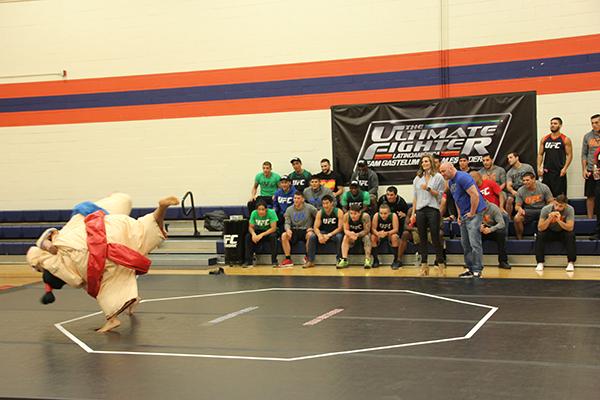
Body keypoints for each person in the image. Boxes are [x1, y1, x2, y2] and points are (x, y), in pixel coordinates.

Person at [27, 193, 179, 333]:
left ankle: (161, 209)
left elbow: (105, 291)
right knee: (135, 221)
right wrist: (47, 244)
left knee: (143, 234)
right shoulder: (55, 251)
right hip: (98, 230)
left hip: (105, 255)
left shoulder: (77, 278)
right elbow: (37, 249)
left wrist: (113, 316)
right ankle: (161, 207)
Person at [440, 162, 487, 278]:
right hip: (465, 214)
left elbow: (475, 195)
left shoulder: (463, 177)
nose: (442, 174)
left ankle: (477, 270)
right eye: (441, 172)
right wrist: (459, 215)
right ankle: (470, 268)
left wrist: (472, 212)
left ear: (451, 168)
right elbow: (457, 199)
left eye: (443, 171)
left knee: (474, 242)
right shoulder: (451, 182)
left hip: (474, 213)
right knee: (465, 243)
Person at [410, 154, 446, 276]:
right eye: (423, 161)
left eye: (426, 161)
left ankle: (440, 264)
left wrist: (429, 189)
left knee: (435, 238)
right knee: (422, 238)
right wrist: (413, 213)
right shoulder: (417, 179)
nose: (424, 163)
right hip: (420, 210)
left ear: (431, 162)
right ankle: (424, 266)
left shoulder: (438, 177)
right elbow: (415, 197)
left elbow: (440, 195)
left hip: (432, 209)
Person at [534, 195, 576, 272]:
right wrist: (549, 219)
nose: (557, 208)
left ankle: (571, 262)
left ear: (565, 205)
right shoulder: (546, 209)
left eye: (560, 206)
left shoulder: (570, 209)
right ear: (553, 202)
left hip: (563, 231)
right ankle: (540, 262)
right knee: (540, 234)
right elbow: (540, 227)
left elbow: (570, 227)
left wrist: (559, 220)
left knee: (570, 235)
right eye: (556, 204)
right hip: (550, 231)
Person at [279, 192, 318, 268]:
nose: (296, 200)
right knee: (284, 235)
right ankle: (288, 259)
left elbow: (318, 217)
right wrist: (287, 229)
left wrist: (313, 228)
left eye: (298, 198)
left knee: (310, 235)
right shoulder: (289, 209)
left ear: (303, 199)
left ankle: (308, 257)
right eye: (295, 198)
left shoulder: (310, 208)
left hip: (306, 230)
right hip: (294, 230)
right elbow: (287, 222)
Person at [537, 117, 573, 197]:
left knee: (560, 195)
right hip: (547, 171)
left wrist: (565, 168)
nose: (552, 125)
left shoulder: (565, 139)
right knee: (547, 194)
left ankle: (560, 209)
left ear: (560, 125)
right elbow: (540, 154)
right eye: (551, 123)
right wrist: (539, 167)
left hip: (559, 171)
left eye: (555, 123)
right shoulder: (545, 139)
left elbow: (569, 155)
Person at [514, 172, 554, 240]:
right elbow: (517, 206)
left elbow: (551, 201)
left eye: (527, 180)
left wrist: (547, 209)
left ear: (533, 179)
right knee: (517, 218)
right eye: (523, 180)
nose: (525, 182)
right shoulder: (520, 190)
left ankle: (546, 238)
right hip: (528, 211)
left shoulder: (543, 187)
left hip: (542, 210)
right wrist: (520, 209)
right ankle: (519, 238)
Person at [309, 194, 344, 266]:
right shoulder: (320, 212)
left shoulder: (338, 211)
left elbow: (340, 228)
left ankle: (339, 260)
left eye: (327, 203)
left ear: (332, 203)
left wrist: (329, 235)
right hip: (325, 232)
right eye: (323, 203)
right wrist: (319, 236)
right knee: (312, 237)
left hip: (335, 232)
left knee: (339, 237)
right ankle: (310, 260)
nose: (325, 205)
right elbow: (315, 227)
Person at [336, 204, 372, 269]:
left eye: (355, 214)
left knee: (367, 237)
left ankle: (367, 259)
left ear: (359, 213)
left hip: (362, 234)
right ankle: (344, 259)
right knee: (345, 237)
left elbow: (367, 230)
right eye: (351, 213)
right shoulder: (346, 216)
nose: (353, 216)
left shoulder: (365, 216)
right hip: (352, 235)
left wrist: (357, 235)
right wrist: (350, 234)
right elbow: (345, 230)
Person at [244, 200, 278, 267]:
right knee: (248, 236)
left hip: (269, 231)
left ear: (266, 209)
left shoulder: (271, 213)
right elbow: (250, 227)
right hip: (258, 230)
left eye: (263, 209)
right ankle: (248, 261)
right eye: (259, 209)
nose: (261, 211)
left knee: (273, 237)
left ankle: (274, 261)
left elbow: (273, 228)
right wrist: (253, 234)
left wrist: (261, 235)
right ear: (256, 210)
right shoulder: (254, 213)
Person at [480, 200, 510, 269]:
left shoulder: (493, 208)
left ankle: (503, 261)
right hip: (481, 229)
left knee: (501, 234)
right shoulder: (474, 207)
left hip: (493, 229)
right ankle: (473, 262)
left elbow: (502, 223)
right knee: (473, 233)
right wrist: (477, 226)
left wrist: (490, 229)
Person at [581, 114, 600, 219]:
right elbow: (584, 154)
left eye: (597, 122)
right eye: (592, 123)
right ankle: (589, 219)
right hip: (591, 170)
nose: (594, 125)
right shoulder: (587, 136)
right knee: (590, 195)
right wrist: (584, 169)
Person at [370, 204, 400, 268]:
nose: (383, 215)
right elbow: (373, 229)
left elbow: (396, 229)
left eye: (385, 213)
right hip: (379, 235)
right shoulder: (376, 216)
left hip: (390, 234)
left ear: (389, 213)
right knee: (372, 237)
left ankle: (395, 260)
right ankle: (375, 260)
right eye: (381, 213)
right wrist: (378, 233)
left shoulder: (393, 215)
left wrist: (386, 233)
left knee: (394, 237)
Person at [506, 152, 535, 217]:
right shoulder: (510, 172)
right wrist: (513, 192)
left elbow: (533, 179)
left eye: (511, 157)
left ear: (517, 158)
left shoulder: (528, 167)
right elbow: (508, 186)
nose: (509, 160)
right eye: (508, 158)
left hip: (527, 188)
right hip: (516, 190)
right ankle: (508, 219)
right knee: (509, 199)